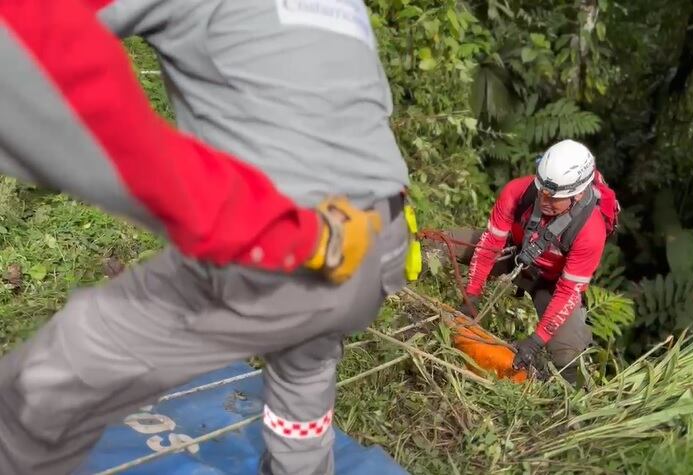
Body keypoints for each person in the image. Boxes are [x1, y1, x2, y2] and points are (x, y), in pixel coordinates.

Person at [0, 1, 409, 474]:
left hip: (296, 249)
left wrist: (276, 231)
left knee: (37, 396)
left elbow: (32, 47)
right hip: (381, 234)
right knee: (302, 380)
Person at [451, 139, 619, 384]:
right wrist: (472, 295)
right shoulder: (518, 192)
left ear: (577, 194)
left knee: (568, 355)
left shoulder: (590, 231)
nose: (544, 200)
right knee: (443, 242)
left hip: (551, 285)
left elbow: (568, 291)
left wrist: (536, 340)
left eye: (554, 198)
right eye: (542, 192)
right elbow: (489, 246)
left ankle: (568, 403)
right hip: (514, 253)